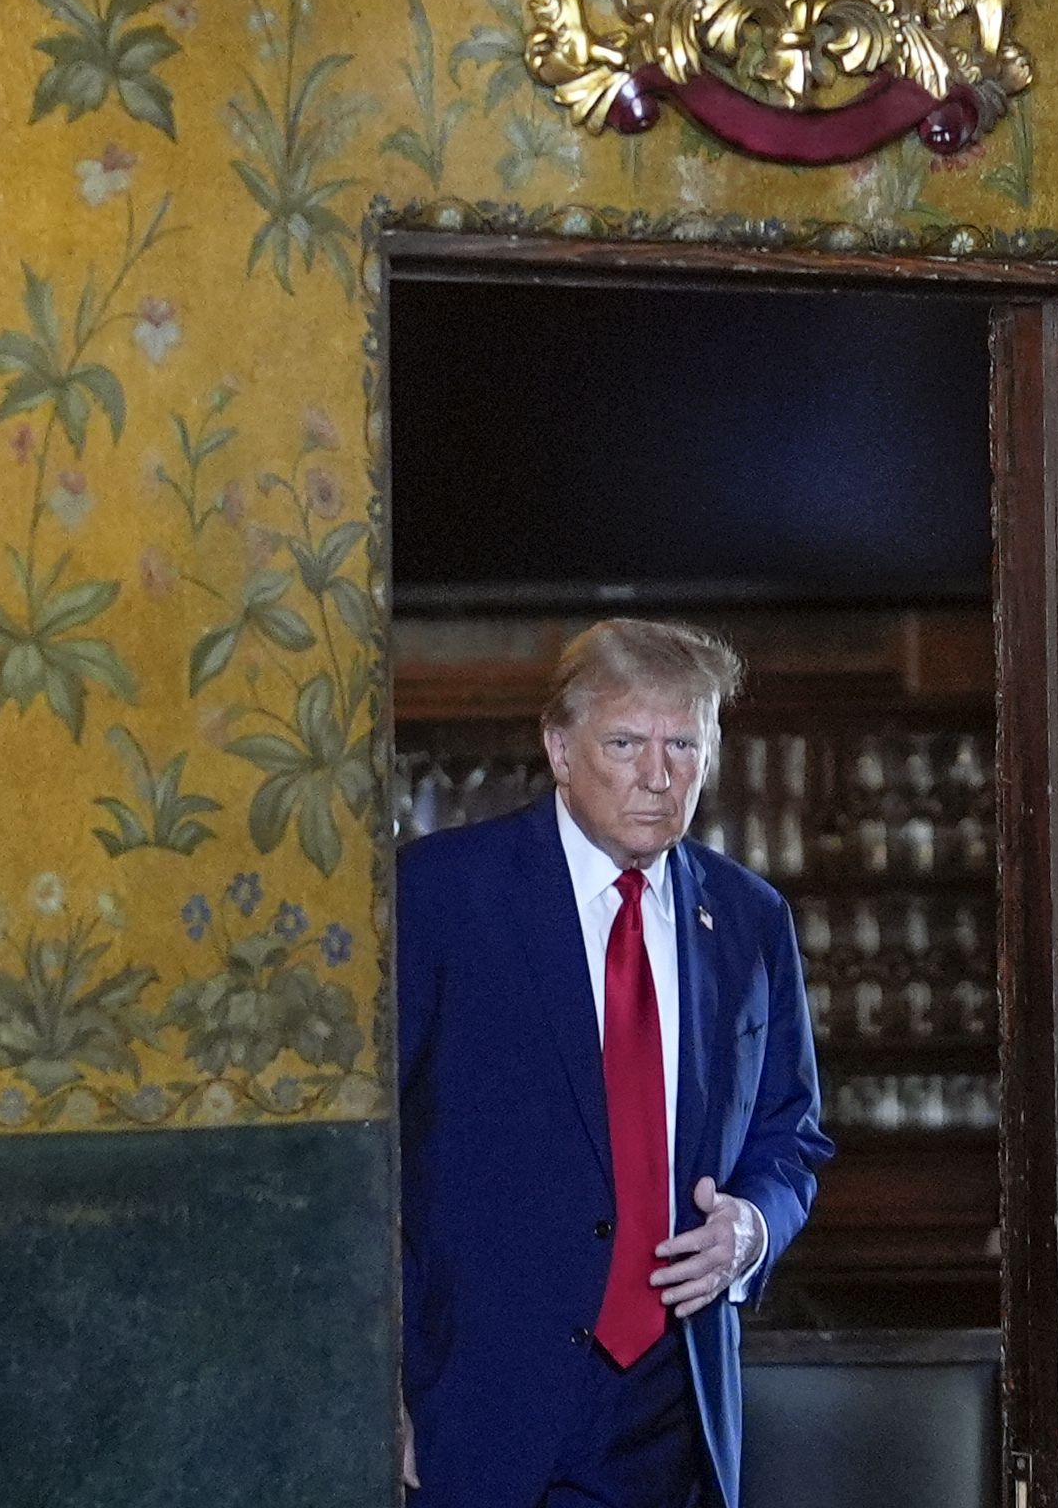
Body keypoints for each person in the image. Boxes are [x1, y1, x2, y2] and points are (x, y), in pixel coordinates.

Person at [397, 619, 832, 1506]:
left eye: (684, 746)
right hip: (480, 1407)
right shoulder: (441, 894)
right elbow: (369, 1158)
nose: (658, 776)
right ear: (560, 749)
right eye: (626, 744)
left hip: (673, 1411)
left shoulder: (750, 919)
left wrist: (751, 1229)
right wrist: (381, 1387)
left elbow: (790, 1136)